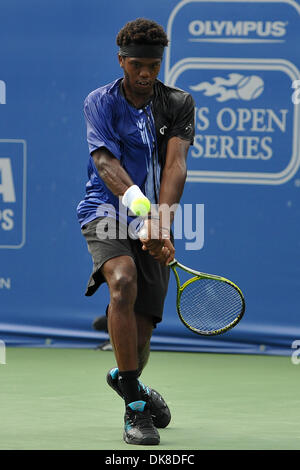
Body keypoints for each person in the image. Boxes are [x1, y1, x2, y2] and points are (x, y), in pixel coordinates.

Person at [77, 18, 195, 445]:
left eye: (154, 65)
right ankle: (136, 409)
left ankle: (128, 381)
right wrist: (144, 214)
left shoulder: (178, 103)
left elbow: (176, 164)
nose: (146, 74)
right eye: (138, 65)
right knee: (122, 283)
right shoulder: (100, 102)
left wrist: (161, 222)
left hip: (153, 218)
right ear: (122, 61)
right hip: (104, 210)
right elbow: (106, 164)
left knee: (139, 344)